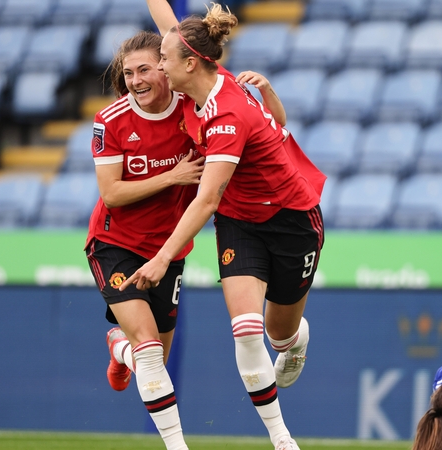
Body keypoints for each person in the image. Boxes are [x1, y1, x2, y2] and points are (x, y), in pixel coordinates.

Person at [119, 3, 327, 450]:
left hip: (292, 221)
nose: (158, 69)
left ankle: (295, 338)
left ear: (189, 63)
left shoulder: (227, 116)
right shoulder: (198, 62)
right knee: (247, 330)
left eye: (164, 61)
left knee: (277, 333)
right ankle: (282, 439)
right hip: (240, 223)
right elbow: (167, 25)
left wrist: (161, 258)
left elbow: (206, 198)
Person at [84, 29, 204, 450]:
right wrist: (172, 176)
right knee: (150, 352)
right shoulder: (110, 121)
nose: (135, 80)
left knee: (153, 363)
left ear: (167, 69)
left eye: (144, 70)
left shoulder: (193, 111)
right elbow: (111, 193)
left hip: (168, 251)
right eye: (128, 72)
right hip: (114, 244)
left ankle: (118, 349)